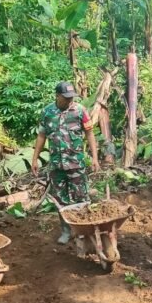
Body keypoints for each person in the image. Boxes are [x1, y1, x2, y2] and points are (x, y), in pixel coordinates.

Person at [31, 81, 99, 244]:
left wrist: (95, 158)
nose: (70, 101)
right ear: (57, 96)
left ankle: (84, 230)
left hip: (76, 164)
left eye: (71, 98)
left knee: (81, 198)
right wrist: (34, 159)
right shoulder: (47, 112)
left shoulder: (80, 111)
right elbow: (41, 135)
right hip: (56, 165)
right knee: (60, 200)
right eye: (66, 98)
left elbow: (90, 134)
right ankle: (66, 231)